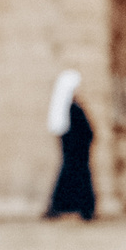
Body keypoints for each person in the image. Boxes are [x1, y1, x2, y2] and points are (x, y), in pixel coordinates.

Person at [43, 68, 95, 220]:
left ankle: (78, 209)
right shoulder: (73, 110)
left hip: (77, 154)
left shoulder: (73, 109)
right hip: (76, 155)